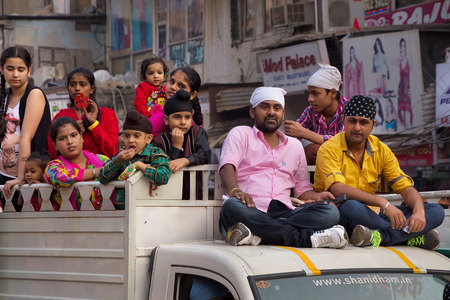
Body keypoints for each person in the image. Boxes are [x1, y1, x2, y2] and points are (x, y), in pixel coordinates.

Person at [218, 86, 348, 249]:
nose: (271, 112)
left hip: (284, 214)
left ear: (283, 114)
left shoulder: (294, 145)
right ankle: (306, 239)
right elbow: (227, 165)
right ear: (253, 112)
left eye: (277, 108)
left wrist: (319, 197)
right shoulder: (240, 134)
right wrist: (236, 191)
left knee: (330, 213)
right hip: (249, 209)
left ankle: (259, 234)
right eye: (265, 107)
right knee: (232, 206)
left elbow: (302, 190)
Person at [314, 95, 445, 249]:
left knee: (436, 211)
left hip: (374, 216)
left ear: (373, 125)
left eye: (363, 122)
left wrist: (418, 212)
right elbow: (338, 189)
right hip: (342, 214)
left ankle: (381, 236)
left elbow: (405, 187)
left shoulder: (381, 150)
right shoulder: (328, 149)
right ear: (343, 120)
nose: (357, 127)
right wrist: (384, 203)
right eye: (352, 121)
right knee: (351, 206)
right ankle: (406, 237)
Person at [0, 46, 51, 201]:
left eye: (21, 69)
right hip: (3, 174)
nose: (15, 74)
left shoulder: (34, 94)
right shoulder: (5, 97)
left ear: (28, 71)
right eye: (10, 69)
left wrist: (21, 177)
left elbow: (25, 139)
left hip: (26, 176)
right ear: (2, 70)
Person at [98, 110, 171, 209]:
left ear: (148, 138)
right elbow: (102, 178)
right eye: (127, 136)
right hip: (123, 210)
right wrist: (117, 161)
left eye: (137, 136)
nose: (131, 140)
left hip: (150, 208)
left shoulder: (155, 153)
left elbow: (164, 176)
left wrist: (140, 166)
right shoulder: (121, 156)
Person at [47, 67, 119, 159]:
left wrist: (94, 125)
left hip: (100, 169)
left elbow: (112, 152)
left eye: (82, 84)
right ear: (68, 88)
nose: (77, 88)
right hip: (71, 171)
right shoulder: (61, 116)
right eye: (72, 85)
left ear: (92, 89)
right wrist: (71, 131)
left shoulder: (107, 114)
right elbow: (53, 151)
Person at [284, 64, 348, 165]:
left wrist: (304, 133)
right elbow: (291, 138)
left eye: (315, 93)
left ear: (333, 93)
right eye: (309, 93)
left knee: (314, 150)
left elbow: (343, 142)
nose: (310, 99)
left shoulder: (349, 109)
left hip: (347, 163)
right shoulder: (310, 111)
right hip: (323, 166)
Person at [152, 89, 211, 199]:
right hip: (166, 199)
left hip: (195, 197)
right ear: (166, 119)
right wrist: (176, 147)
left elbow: (205, 154)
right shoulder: (159, 141)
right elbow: (161, 169)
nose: (183, 122)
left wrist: (185, 160)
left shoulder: (197, 132)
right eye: (177, 117)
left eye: (187, 117)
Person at [44, 117, 109, 211]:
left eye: (73, 135)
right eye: (62, 138)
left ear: (81, 137)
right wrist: (96, 172)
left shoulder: (102, 160)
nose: (70, 141)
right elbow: (59, 177)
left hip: (106, 220)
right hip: (69, 222)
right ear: (55, 145)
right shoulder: (53, 167)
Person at [150, 66, 203, 136]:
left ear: (192, 94)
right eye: (172, 82)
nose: (173, 87)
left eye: (181, 86)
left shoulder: (170, 114)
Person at [134, 56, 169, 123]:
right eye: (151, 73)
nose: (156, 76)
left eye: (159, 73)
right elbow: (139, 104)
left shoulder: (166, 90)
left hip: (163, 120)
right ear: (145, 77)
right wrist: (148, 116)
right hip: (147, 120)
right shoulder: (143, 87)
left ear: (164, 76)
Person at [397, 38, 413, 128]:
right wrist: (400, 57)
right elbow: (392, 62)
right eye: (401, 46)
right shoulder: (400, 61)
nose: (403, 48)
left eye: (404, 46)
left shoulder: (408, 60)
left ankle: (409, 127)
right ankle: (404, 127)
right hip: (400, 88)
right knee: (401, 110)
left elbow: (415, 74)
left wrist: (412, 90)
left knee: (407, 110)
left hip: (407, 88)